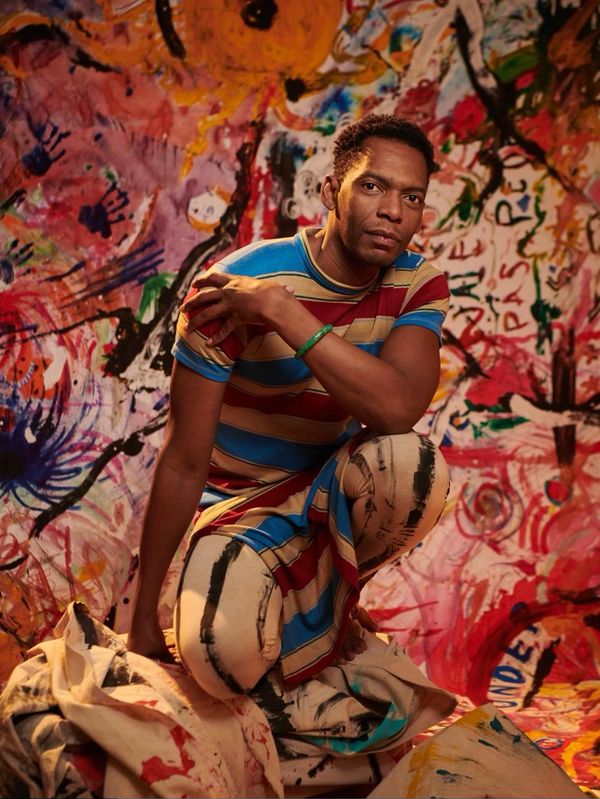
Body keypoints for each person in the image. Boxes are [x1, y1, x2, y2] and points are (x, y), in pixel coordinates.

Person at [128, 113, 450, 700]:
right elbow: (182, 460)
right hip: (235, 508)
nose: (393, 211)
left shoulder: (416, 283)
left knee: (414, 467)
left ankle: (327, 602)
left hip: (324, 496)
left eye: (412, 197)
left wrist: (282, 313)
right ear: (330, 192)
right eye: (372, 186)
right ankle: (308, 616)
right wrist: (142, 616)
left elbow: (397, 409)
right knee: (222, 662)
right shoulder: (233, 286)